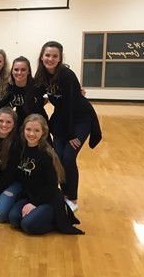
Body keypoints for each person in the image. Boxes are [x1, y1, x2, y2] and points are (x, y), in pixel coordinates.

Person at [34, 41, 102, 212]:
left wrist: (71, 134)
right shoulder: (42, 75)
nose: (50, 59)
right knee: (57, 157)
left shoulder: (66, 75)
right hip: (62, 118)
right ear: (42, 56)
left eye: (54, 56)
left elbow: (69, 106)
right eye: (47, 55)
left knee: (69, 157)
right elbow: (35, 92)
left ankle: (73, 199)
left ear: (60, 58)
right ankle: (63, 195)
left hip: (80, 119)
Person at [8, 114, 84, 235]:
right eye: (28, 129)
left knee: (27, 225)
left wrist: (34, 204)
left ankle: (56, 221)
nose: (31, 134)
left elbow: (52, 186)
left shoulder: (46, 155)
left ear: (43, 133)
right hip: (30, 196)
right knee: (14, 219)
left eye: (36, 130)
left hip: (48, 199)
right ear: (23, 130)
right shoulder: (20, 149)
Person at [8, 56, 47, 123]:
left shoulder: (38, 86)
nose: (19, 73)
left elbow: (46, 100)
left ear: (28, 72)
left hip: (38, 122)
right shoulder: (8, 87)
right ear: (12, 71)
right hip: (19, 123)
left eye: (23, 70)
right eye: (16, 69)